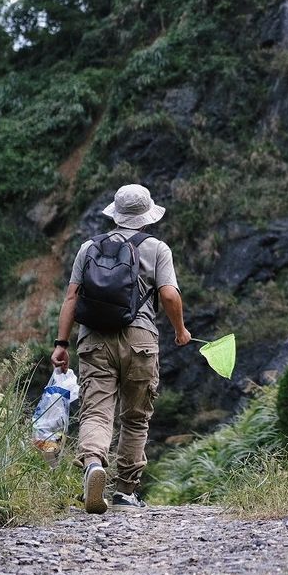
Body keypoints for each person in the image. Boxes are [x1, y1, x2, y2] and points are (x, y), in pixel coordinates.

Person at [50, 183, 190, 513]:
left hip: (94, 339)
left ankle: (94, 464)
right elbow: (169, 295)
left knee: (96, 410)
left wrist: (61, 343)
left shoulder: (89, 247)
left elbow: (71, 298)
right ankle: (125, 491)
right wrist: (180, 330)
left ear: (115, 213)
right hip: (140, 338)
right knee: (135, 417)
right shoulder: (157, 249)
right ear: (146, 216)